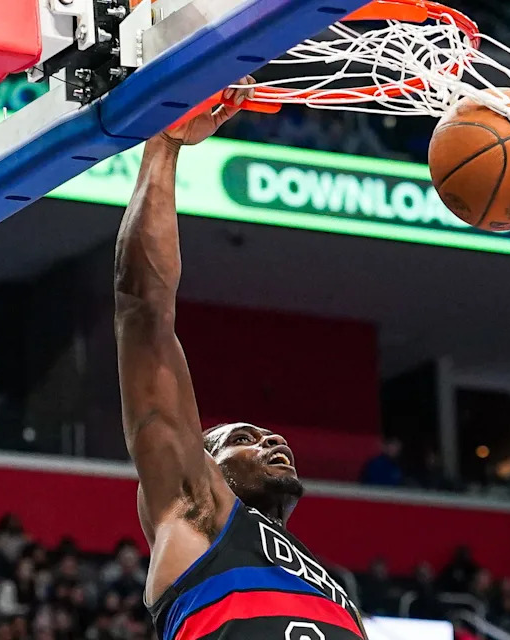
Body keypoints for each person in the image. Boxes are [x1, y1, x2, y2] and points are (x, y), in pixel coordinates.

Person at [113, 79, 366, 640]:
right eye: (242, 436)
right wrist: (164, 145)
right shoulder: (195, 511)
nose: (272, 440)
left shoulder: (337, 589)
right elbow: (144, 314)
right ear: (199, 457)